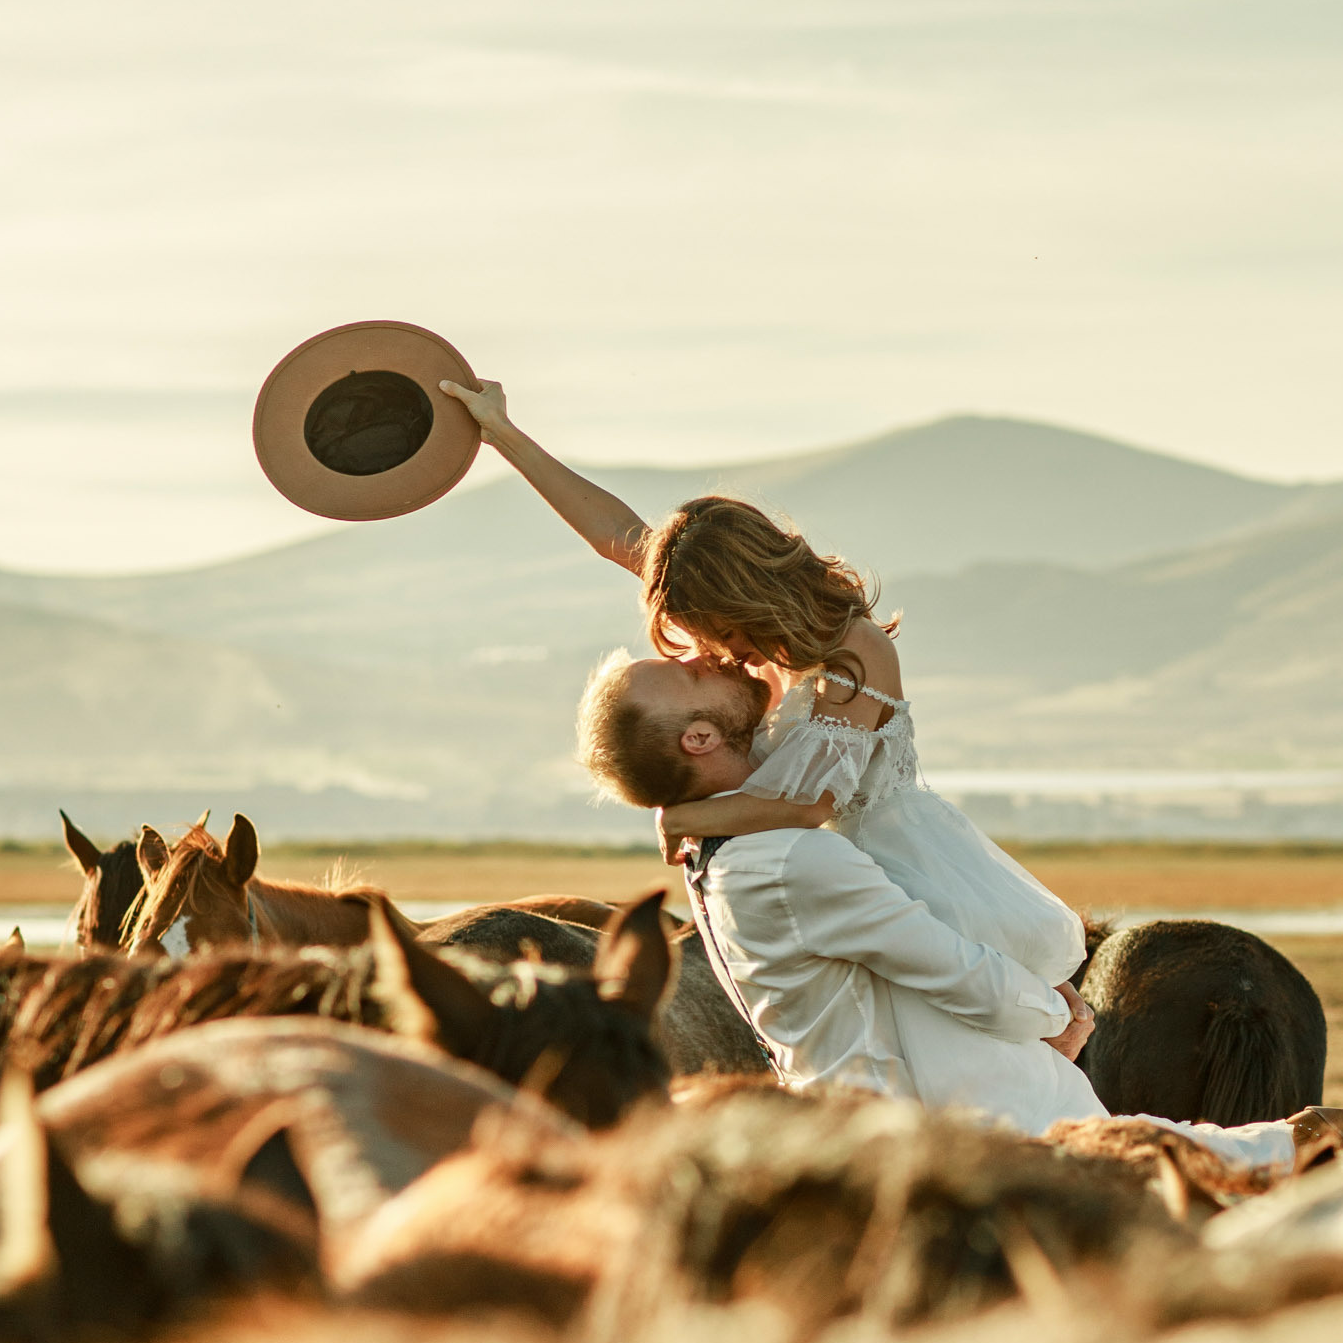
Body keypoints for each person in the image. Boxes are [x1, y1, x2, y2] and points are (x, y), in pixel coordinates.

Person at [438, 376, 1093, 1032]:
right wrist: (501, 433)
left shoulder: (854, 654)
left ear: (749, 596)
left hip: (905, 874)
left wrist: (689, 815)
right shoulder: (744, 633)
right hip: (816, 886)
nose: (719, 651)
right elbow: (614, 534)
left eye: (720, 630)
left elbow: (815, 804)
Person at [573, 648, 1106, 1134]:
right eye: (692, 674)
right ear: (700, 739)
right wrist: (1059, 1016)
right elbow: (958, 972)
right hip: (927, 1126)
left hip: (841, 1119)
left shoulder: (714, 851)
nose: (710, 656)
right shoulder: (791, 860)